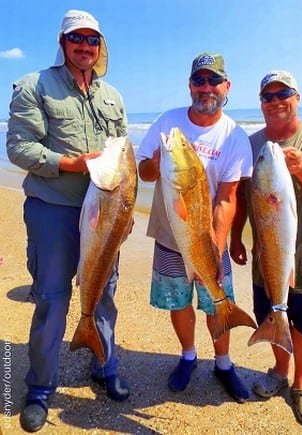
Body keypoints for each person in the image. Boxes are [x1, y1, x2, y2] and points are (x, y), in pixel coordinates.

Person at [6, 10, 130, 433]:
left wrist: (126, 210)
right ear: (62, 43)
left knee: (104, 292)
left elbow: (123, 155)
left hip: (107, 213)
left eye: (92, 39)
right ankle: (40, 386)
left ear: (100, 47)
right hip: (54, 209)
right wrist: (69, 164)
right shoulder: (33, 86)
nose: (85, 46)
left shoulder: (112, 95)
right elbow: (19, 148)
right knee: (53, 297)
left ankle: (104, 364)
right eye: (76, 38)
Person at [230, 70, 302, 426]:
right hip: (267, 248)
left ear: (297, 98)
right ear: (261, 103)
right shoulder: (252, 145)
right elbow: (241, 200)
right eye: (268, 97)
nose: (276, 102)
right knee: (273, 310)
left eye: (284, 94)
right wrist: (236, 237)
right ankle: (279, 370)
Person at [137, 53, 253, 402]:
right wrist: (155, 166)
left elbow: (228, 198)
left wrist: (214, 249)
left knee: (217, 302)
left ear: (227, 86)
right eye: (199, 80)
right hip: (169, 236)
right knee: (178, 302)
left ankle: (223, 363)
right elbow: (143, 171)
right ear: (190, 85)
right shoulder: (168, 123)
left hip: (209, 238)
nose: (206, 87)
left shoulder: (234, 135)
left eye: (214, 80)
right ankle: (188, 356)